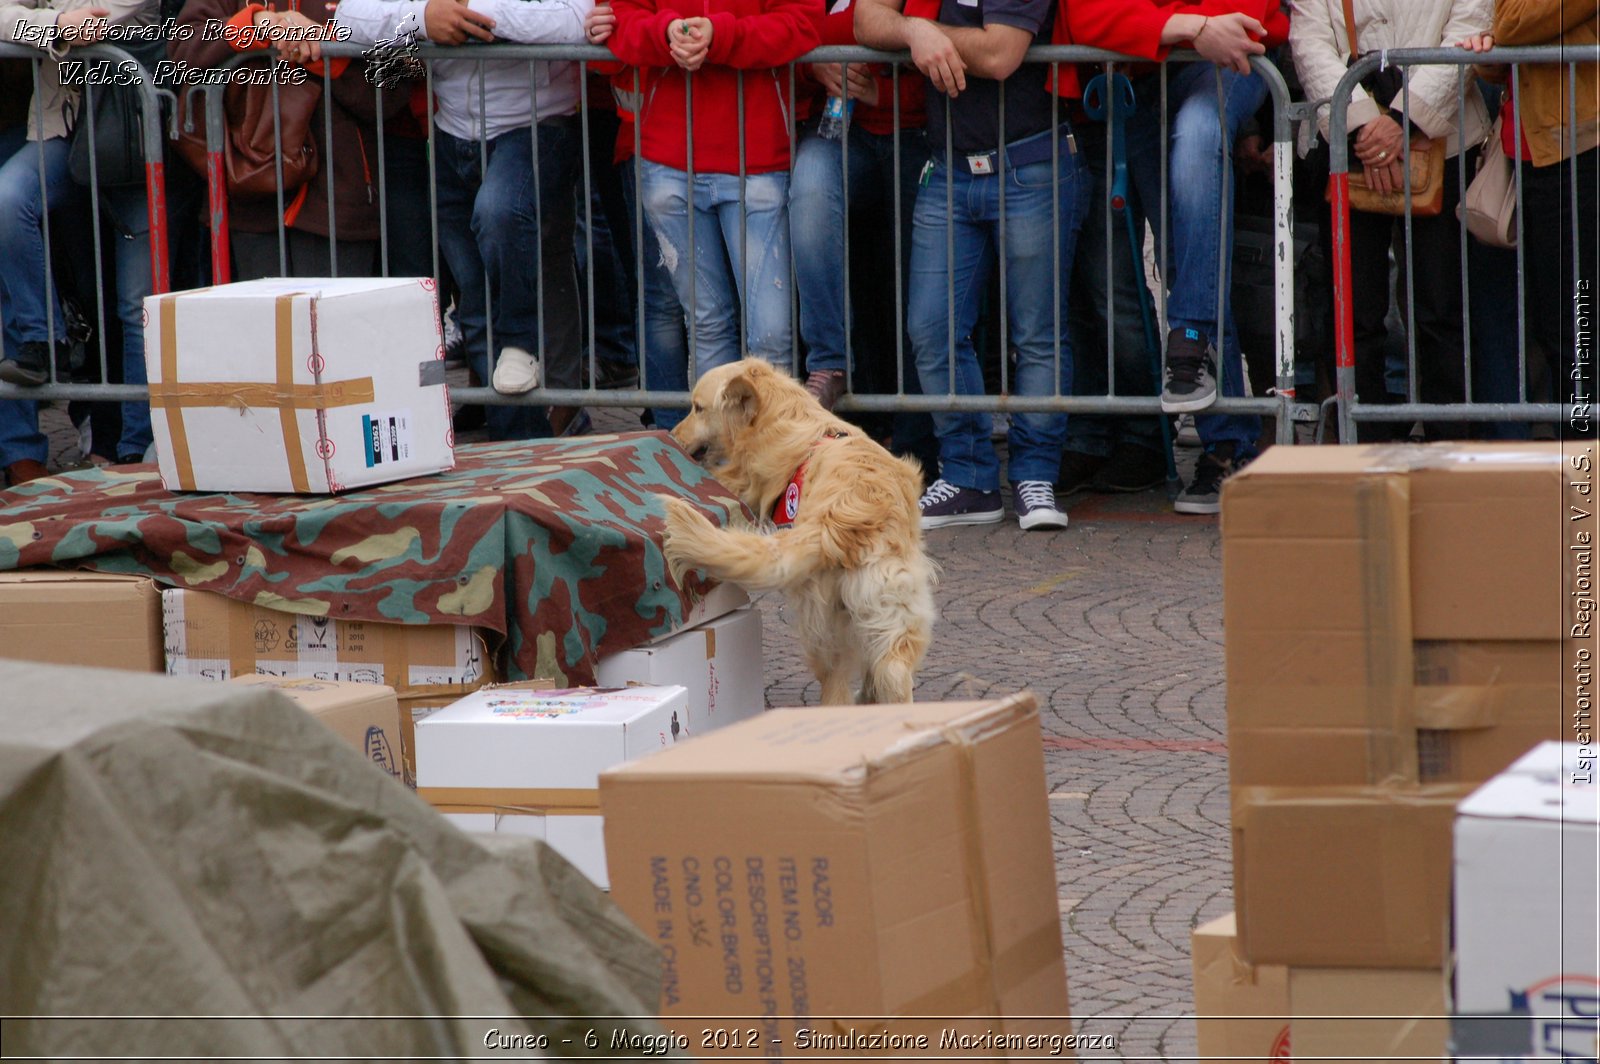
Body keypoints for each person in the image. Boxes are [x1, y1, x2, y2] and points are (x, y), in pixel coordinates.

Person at [856, 0, 1092, 532]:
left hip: (1031, 163)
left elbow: (1000, 53)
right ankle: (969, 478)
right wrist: (915, 29)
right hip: (949, 169)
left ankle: (1034, 475)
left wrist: (923, 32)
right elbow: (865, 18)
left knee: (1037, 334)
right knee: (931, 328)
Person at [335, 0, 593, 441]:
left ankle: (526, 354)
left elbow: (582, 18)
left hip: (538, 125)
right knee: (474, 298)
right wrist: (425, 17)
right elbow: (347, 20)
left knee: (500, 216)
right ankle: (516, 442)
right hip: (452, 133)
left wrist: (471, 13)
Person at [1068, 0, 1286, 514]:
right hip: (1140, 80)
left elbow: (1257, 17)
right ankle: (1214, 440)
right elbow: (1086, 16)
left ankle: (1221, 429)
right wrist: (1193, 26)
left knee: (1197, 149)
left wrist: (1161, 27)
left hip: (1209, 70)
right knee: (1176, 264)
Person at [1292, 0, 1493, 442]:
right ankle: (1365, 439)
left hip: (1446, 140)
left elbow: (1472, 28)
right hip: (1351, 144)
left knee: (1441, 307)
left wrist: (1403, 120)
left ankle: (1449, 442)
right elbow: (1309, 43)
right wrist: (1365, 124)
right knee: (1353, 309)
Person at [606, 0, 819, 380]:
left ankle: (769, 439)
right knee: (708, 326)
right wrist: (665, 33)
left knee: (769, 334)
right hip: (671, 158)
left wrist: (721, 36)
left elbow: (803, 22)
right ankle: (722, 440)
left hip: (755, 159)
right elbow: (620, 18)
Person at [0, 0, 154, 487]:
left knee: (136, 303)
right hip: (61, 129)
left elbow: (119, 10)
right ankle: (43, 339)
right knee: (6, 200)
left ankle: (137, 453)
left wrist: (60, 23)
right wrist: (56, 25)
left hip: (138, 130)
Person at [170, 0, 409, 281]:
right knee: (262, 324)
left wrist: (326, 53)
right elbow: (182, 49)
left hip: (340, 197)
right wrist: (254, 24)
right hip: (249, 196)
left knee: (333, 323)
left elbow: (396, 87)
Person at [1489, 0, 1598, 420]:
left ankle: (1586, 455)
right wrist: (1486, 49)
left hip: (1579, 147)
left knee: (1579, 318)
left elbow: (1511, 23)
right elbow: (1500, 38)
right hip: (1534, 151)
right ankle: (1579, 455)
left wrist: (1498, 31)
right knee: (1557, 322)